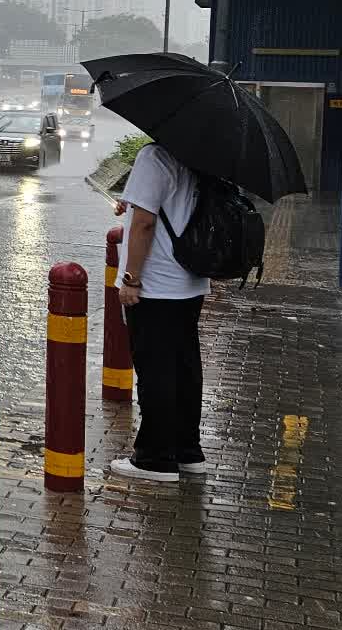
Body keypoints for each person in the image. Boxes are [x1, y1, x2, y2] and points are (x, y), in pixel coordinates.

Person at [111, 141, 210, 483]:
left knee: (155, 370)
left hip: (157, 284)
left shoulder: (156, 156)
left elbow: (144, 224)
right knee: (184, 367)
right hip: (191, 280)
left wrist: (132, 279)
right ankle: (188, 452)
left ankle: (155, 459)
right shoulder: (203, 156)